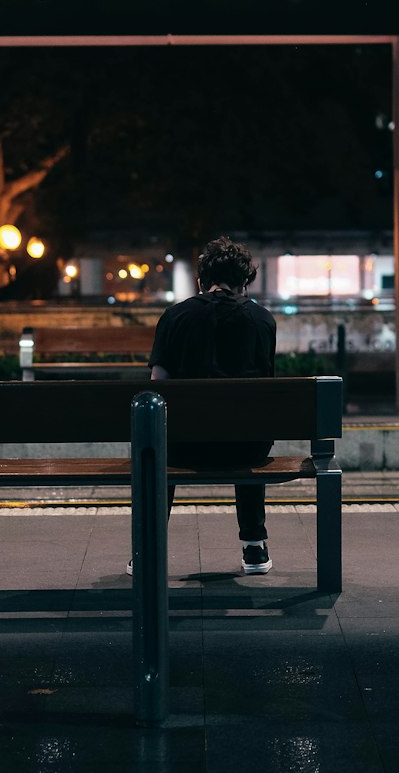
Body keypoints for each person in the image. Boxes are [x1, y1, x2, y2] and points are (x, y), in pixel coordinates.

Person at [140, 235, 277, 576]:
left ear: (201, 281)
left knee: (161, 441)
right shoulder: (263, 322)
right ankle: (254, 546)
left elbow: (157, 387)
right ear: (245, 281)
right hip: (245, 451)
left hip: (184, 450)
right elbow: (264, 391)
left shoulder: (174, 317)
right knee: (249, 425)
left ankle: (147, 550)